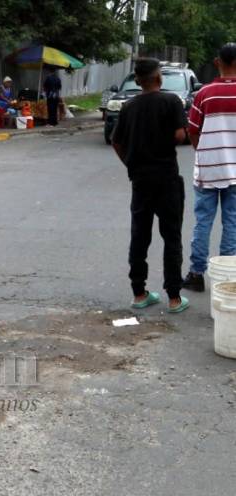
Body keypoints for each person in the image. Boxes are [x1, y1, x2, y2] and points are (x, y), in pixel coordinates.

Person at [112, 58, 189, 313]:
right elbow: (179, 135)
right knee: (172, 237)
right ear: (159, 78)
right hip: (166, 177)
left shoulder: (128, 107)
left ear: (137, 81)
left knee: (140, 236)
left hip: (140, 180)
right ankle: (175, 298)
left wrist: (132, 164)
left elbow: (117, 142)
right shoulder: (171, 102)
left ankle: (139, 293)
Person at [182, 43, 236, 292]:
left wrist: (203, 152)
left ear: (217, 62)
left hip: (208, 170)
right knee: (232, 223)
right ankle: (226, 277)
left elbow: (192, 131)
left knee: (203, 222)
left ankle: (196, 273)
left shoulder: (204, 94)